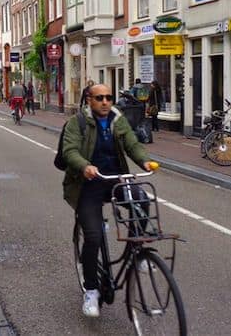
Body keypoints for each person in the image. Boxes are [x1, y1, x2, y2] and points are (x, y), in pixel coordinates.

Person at [62, 84, 153, 318]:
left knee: (142, 200)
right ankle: (91, 291)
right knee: (93, 237)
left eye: (109, 97)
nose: (105, 102)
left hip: (114, 178)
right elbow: (69, 151)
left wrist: (144, 162)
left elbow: (132, 144)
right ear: (89, 100)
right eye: (99, 98)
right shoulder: (78, 122)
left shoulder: (117, 119)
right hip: (88, 183)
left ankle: (137, 249)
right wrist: (84, 166)